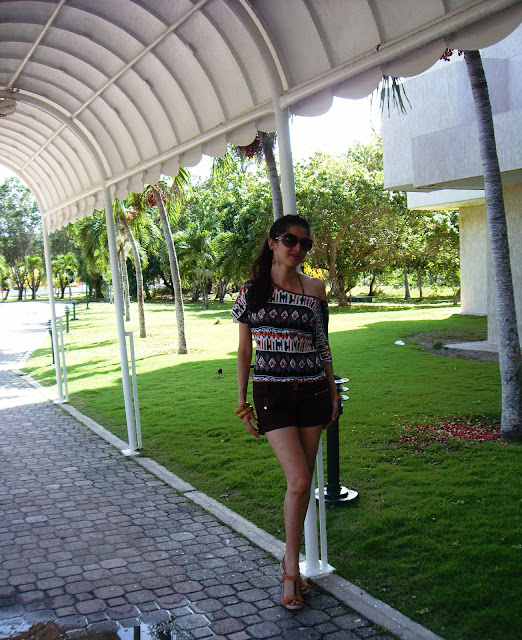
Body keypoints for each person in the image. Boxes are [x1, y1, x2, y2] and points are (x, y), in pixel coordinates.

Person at [231, 214, 339, 611]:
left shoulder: (315, 288)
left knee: (303, 483)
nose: (297, 248)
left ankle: (289, 563)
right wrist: (242, 402)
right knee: (298, 480)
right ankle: (291, 570)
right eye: (290, 240)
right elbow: (245, 350)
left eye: (304, 243)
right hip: (271, 394)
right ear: (273, 242)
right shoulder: (251, 291)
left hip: (312, 391)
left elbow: (322, 344)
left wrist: (332, 393)